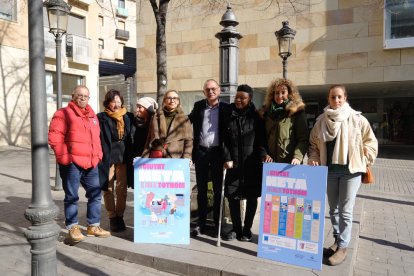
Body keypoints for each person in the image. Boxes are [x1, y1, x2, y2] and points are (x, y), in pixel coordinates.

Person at [307, 84, 378, 266]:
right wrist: (313, 157)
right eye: (333, 97)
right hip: (329, 171)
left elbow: (371, 142)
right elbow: (313, 145)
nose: (336, 100)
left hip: (350, 172)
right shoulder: (322, 120)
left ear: (345, 98)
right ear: (328, 99)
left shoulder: (357, 119)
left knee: (346, 211)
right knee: (333, 210)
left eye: (339, 97)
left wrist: (365, 157)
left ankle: (344, 247)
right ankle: (338, 241)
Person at [48, 85, 110, 244]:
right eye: (79, 95)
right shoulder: (63, 114)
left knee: (95, 195)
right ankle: (72, 226)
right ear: (72, 96)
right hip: (72, 163)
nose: (82, 98)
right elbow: (55, 138)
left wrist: (98, 155)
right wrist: (65, 160)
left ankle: (93, 226)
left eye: (86, 96)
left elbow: (96, 138)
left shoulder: (92, 116)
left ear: (89, 98)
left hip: (91, 163)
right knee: (72, 196)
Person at [222, 84, 268, 241]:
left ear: (250, 99)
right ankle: (236, 228)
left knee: (252, 197)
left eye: (243, 98)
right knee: (233, 197)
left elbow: (261, 140)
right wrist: (227, 157)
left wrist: (263, 155)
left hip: (252, 165)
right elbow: (224, 140)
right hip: (233, 164)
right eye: (237, 97)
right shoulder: (228, 114)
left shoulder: (256, 117)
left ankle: (247, 229)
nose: (239, 100)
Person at [188, 79, 229, 237]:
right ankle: (202, 222)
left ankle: (219, 224)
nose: (210, 91)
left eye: (213, 89)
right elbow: (186, 121)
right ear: (204, 92)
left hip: (219, 154)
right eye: (207, 89)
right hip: (202, 153)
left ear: (219, 90)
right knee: (202, 190)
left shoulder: (226, 107)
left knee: (219, 190)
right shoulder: (199, 106)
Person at [97, 90, 135, 232]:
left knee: (121, 188)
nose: (116, 104)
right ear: (108, 103)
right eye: (113, 101)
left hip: (124, 156)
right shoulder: (101, 118)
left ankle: (120, 215)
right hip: (107, 157)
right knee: (108, 188)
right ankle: (112, 216)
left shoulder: (129, 116)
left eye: (118, 101)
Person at [259, 78, 308, 164]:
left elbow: (303, 139)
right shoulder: (266, 113)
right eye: (276, 93)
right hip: (270, 164)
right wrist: (265, 154)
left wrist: (297, 157)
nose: (279, 96)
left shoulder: (297, 112)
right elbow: (262, 138)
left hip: (290, 163)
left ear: (289, 94)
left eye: (283, 92)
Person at [142, 89, 193, 159]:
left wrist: (186, 158)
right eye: (169, 98)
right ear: (164, 101)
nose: (172, 101)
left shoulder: (184, 119)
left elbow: (188, 141)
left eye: (175, 98)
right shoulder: (156, 117)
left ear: (178, 101)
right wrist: (144, 157)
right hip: (157, 157)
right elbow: (149, 139)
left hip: (175, 157)